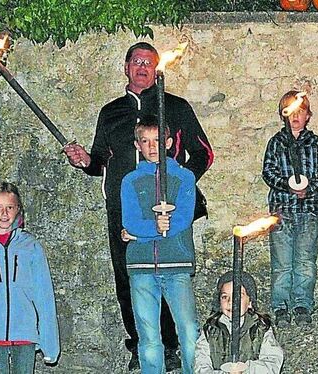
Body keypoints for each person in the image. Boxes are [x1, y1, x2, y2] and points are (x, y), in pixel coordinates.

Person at [63, 41, 213, 370]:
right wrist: (85, 160)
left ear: (156, 69)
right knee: (128, 277)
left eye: (149, 62)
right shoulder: (111, 113)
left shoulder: (176, 107)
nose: (142, 67)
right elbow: (99, 160)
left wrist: (180, 184)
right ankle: (141, 344)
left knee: (172, 273)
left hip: (170, 210)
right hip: (125, 211)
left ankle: (172, 346)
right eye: (136, 62)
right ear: (126, 67)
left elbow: (205, 153)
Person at [120, 118, 199, 374]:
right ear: (137, 145)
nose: (152, 147)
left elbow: (183, 219)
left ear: (168, 143)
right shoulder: (130, 181)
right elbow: (130, 222)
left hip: (176, 263)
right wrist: (152, 229)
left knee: (188, 330)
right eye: (145, 141)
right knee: (149, 336)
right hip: (141, 266)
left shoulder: (184, 178)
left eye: (157, 141)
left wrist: (142, 233)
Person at [0, 182, 60, 373]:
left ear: (18, 209)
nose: (4, 214)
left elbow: (44, 296)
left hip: (26, 329)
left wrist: (50, 345)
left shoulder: (31, 246)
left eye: (10, 207)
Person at [262, 90, 318, 327]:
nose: (295, 117)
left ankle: (303, 302)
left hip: (309, 210)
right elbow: (268, 172)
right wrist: (287, 186)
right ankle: (280, 305)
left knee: (305, 260)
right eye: (290, 112)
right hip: (282, 210)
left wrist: (309, 188)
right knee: (281, 262)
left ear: (308, 116)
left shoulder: (316, 143)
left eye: (300, 112)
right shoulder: (276, 143)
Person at [195, 271, 284, 373]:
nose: (230, 302)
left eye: (237, 296)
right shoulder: (210, 330)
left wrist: (246, 370)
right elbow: (201, 365)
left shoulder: (260, 329)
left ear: (250, 302)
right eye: (225, 297)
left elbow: (273, 361)